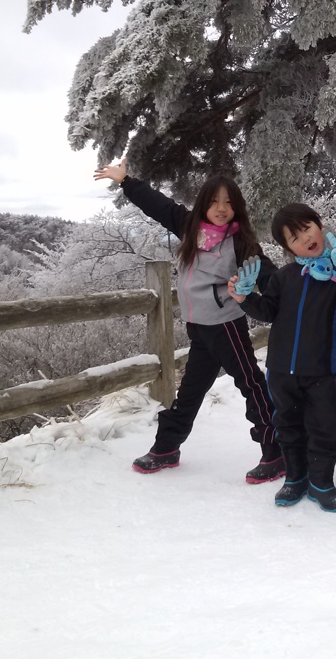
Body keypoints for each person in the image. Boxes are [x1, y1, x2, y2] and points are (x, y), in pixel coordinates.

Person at [94, 159, 283, 483]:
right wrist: (126, 181)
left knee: (251, 384)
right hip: (199, 329)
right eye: (214, 201)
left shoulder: (240, 243)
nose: (221, 208)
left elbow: (267, 275)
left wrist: (298, 288)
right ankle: (167, 448)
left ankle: (276, 450)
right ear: (203, 204)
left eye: (228, 202)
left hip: (226, 326)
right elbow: (159, 205)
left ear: (237, 207)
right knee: (190, 392)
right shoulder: (189, 228)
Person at [228, 204, 336, 513]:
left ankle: (321, 482)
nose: (304, 239)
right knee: (287, 425)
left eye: (307, 228)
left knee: (326, 426)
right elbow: (268, 312)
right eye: (294, 238)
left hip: (319, 371)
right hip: (280, 370)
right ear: (287, 248)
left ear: (319, 225)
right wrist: (246, 298)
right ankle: (295, 477)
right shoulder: (285, 276)